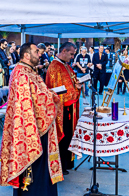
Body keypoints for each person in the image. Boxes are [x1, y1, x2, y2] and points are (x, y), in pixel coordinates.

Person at [0, 42, 63, 195]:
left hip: (39, 125)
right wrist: (52, 98)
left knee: (42, 167)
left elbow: (37, 95)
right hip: (31, 129)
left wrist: (49, 95)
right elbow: (26, 104)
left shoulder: (29, 71)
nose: (40, 53)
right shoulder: (21, 73)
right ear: (27, 55)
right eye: (36, 51)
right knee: (34, 169)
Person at [46, 42, 82, 174]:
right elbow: (55, 89)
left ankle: (67, 162)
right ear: (64, 51)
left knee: (68, 135)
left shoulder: (65, 65)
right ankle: (61, 164)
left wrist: (77, 86)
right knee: (63, 135)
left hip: (69, 107)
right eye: (71, 54)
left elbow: (71, 82)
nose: (72, 57)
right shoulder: (55, 66)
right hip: (62, 108)